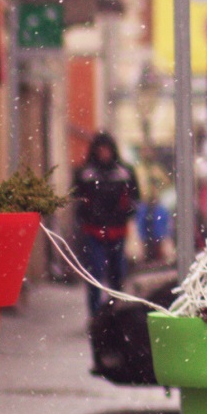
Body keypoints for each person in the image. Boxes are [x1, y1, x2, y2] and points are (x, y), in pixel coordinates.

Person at [72, 133, 137, 315]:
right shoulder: (85, 174)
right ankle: (95, 314)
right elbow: (78, 199)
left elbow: (134, 198)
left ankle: (117, 313)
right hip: (93, 231)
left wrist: (125, 213)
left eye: (107, 150)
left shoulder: (124, 173)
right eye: (100, 150)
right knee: (95, 274)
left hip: (117, 231)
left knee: (117, 275)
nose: (104, 153)